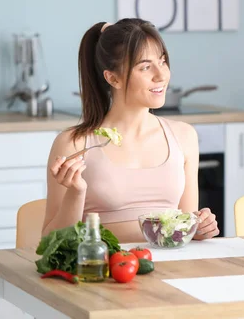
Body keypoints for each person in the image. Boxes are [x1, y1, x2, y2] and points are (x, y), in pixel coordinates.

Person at [41, 19, 220, 243]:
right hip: (102, 270)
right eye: (145, 67)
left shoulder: (184, 136)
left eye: (162, 61)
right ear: (112, 78)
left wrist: (199, 227)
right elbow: (49, 242)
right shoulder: (74, 144)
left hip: (169, 268)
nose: (161, 75)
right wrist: (75, 193)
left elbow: (185, 225)